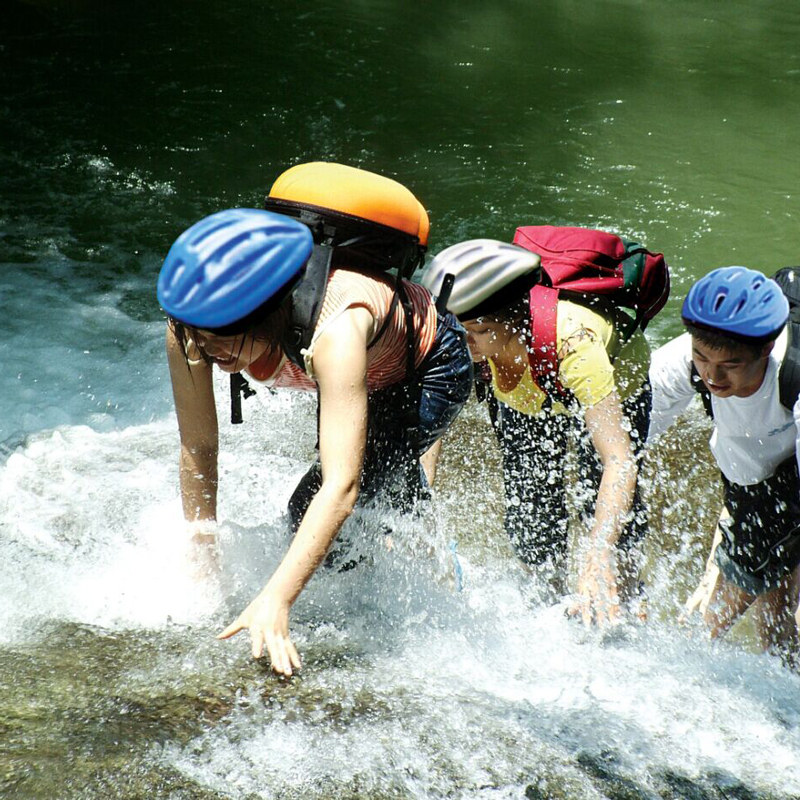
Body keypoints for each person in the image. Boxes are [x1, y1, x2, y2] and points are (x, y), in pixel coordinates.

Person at [157, 163, 473, 676]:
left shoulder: (336, 330)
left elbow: (341, 488)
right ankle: (409, 522)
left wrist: (277, 598)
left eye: (219, 345)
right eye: (197, 341)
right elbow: (198, 447)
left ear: (267, 316)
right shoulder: (192, 327)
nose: (204, 354)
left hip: (428, 367)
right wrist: (202, 552)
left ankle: (424, 588)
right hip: (363, 373)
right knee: (365, 487)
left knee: (321, 500)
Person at [422, 239, 652, 627]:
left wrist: (597, 553)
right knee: (529, 515)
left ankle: (625, 609)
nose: (463, 342)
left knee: (610, 520)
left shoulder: (576, 345)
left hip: (615, 383)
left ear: (514, 321)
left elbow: (619, 460)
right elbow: (433, 419)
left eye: (477, 331)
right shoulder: (470, 338)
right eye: (457, 330)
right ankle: (553, 605)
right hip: (529, 392)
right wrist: (420, 501)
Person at [648, 266, 800, 659]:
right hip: (748, 469)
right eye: (702, 357)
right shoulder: (682, 360)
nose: (711, 376)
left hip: (785, 468)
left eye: (729, 366)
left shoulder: (793, 377)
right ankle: (785, 680)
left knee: (747, 571)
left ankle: (689, 663)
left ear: (765, 349)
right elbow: (630, 441)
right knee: (776, 607)